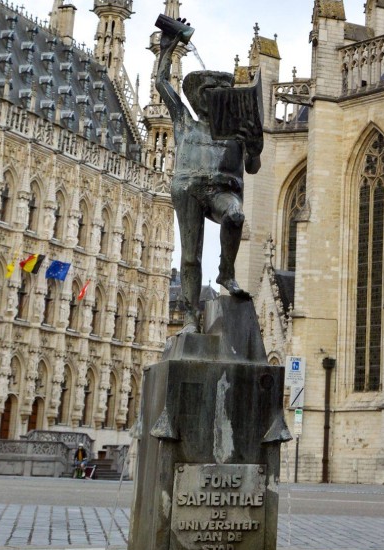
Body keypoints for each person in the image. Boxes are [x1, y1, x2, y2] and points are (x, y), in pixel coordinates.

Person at [155, 18, 262, 332]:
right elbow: (162, 83)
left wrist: (254, 147)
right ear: (200, 97)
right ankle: (189, 317)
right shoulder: (184, 121)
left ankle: (226, 272)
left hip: (220, 190)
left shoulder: (235, 131)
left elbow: (253, 167)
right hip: (187, 188)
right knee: (190, 257)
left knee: (235, 216)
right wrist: (167, 48)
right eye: (212, 92)